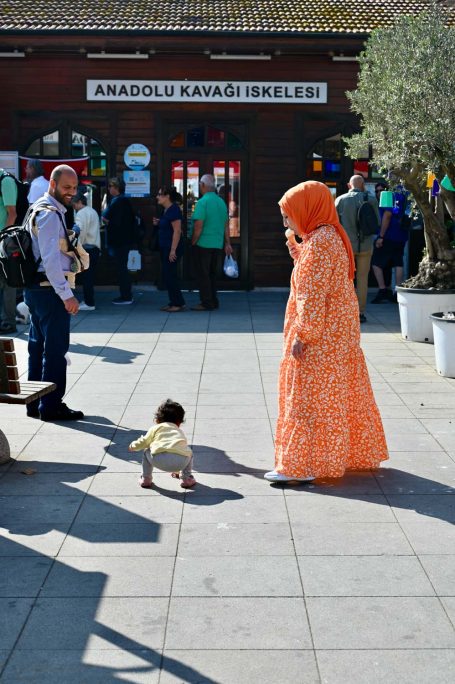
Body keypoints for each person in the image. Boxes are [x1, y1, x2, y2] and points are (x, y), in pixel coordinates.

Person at [264, 180, 388, 483]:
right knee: (333, 395)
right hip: (338, 334)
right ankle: (336, 456)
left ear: (307, 210)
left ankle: (302, 466)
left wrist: (303, 336)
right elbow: (317, 274)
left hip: (321, 336)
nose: (286, 221)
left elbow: (312, 293)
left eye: (288, 214)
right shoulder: (331, 235)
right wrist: (295, 244)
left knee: (308, 396)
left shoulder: (320, 243)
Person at [23, 164, 84, 421]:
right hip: (49, 292)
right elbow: (49, 260)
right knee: (55, 350)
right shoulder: (49, 214)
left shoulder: (37, 208)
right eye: (66, 187)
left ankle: (34, 402)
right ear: (52, 184)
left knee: (37, 347)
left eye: (74, 188)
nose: (71, 192)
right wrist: (66, 294)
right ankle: (50, 405)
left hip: (35, 291)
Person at [335, 174, 380, 323]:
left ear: (349, 185)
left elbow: (334, 225)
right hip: (366, 245)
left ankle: (345, 311)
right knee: (362, 279)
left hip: (346, 246)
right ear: (363, 185)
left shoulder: (340, 200)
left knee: (345, 279)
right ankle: (360, 312)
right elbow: (376, 223)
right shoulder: (372, 200)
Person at [128, 399, 196, 489]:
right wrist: (176, 468)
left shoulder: (155, 428)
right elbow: (178, 450)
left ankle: (146, 479)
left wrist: (133, 446)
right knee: (188, 452)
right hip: (180, 463)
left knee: (146, 450)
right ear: (179, 422)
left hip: (157, 460)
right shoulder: (179, 431)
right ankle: (186, 479)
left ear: (158, 419)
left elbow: (144, 442)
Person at [190, 173, 233, 311]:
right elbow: (226, 225)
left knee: (203, 275)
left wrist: (193, 242)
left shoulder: (202, 202)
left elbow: (198, 226)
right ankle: (214, 301)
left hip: (203, 244)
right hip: (217, 244)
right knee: (212, 274)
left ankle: (206, 302)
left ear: (202, 186)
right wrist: (227, 243)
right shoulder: (221, 202)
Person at [102, 176, 136, 305]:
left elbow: (117, 223)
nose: (109, 189)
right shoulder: (122, 201)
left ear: (116, 188)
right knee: (122, 268)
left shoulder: (118, 202)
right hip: (124, 241)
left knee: (121, 269)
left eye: (110, 186)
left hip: (120, 242)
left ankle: (126, 296)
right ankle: (126, 294)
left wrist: (106, 221)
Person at [371, 188, 409, 303]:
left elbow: (387, 215)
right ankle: (397, 292)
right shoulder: (406, 193)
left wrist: (381, 236)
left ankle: (382, 290)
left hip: (388, 235)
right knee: (398, 263)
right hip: (402, 234)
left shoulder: (389, 194)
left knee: (376, 263)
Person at [153, 185, 186, 312]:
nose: (157, 197)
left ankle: (177, 303)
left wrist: (173, 250)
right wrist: (158, 222)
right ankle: (175, 301)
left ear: (167, 196)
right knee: (168, 275)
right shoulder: (166, 210)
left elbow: (177, 231)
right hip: (165, 247)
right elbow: (167, 225)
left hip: (171, 248)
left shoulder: (174, 210)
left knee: (170, 275)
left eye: (159, 194)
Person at [71, 192, 101, 311]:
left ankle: (89, 302)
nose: (73, 207)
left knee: (86, 278)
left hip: (86, 248)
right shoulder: (92, 211)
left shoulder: (81, 214)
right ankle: (89, 301)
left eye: (74, 204)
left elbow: (80, 232)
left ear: (79, 202)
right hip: (95, 248)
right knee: (89, 277)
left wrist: (75, 248)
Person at [0, 168, 18, 334]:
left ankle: (8, 322)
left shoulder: (5, 181)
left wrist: (2, 239)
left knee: (8, 283)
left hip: (3, 243)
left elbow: (12, 214)